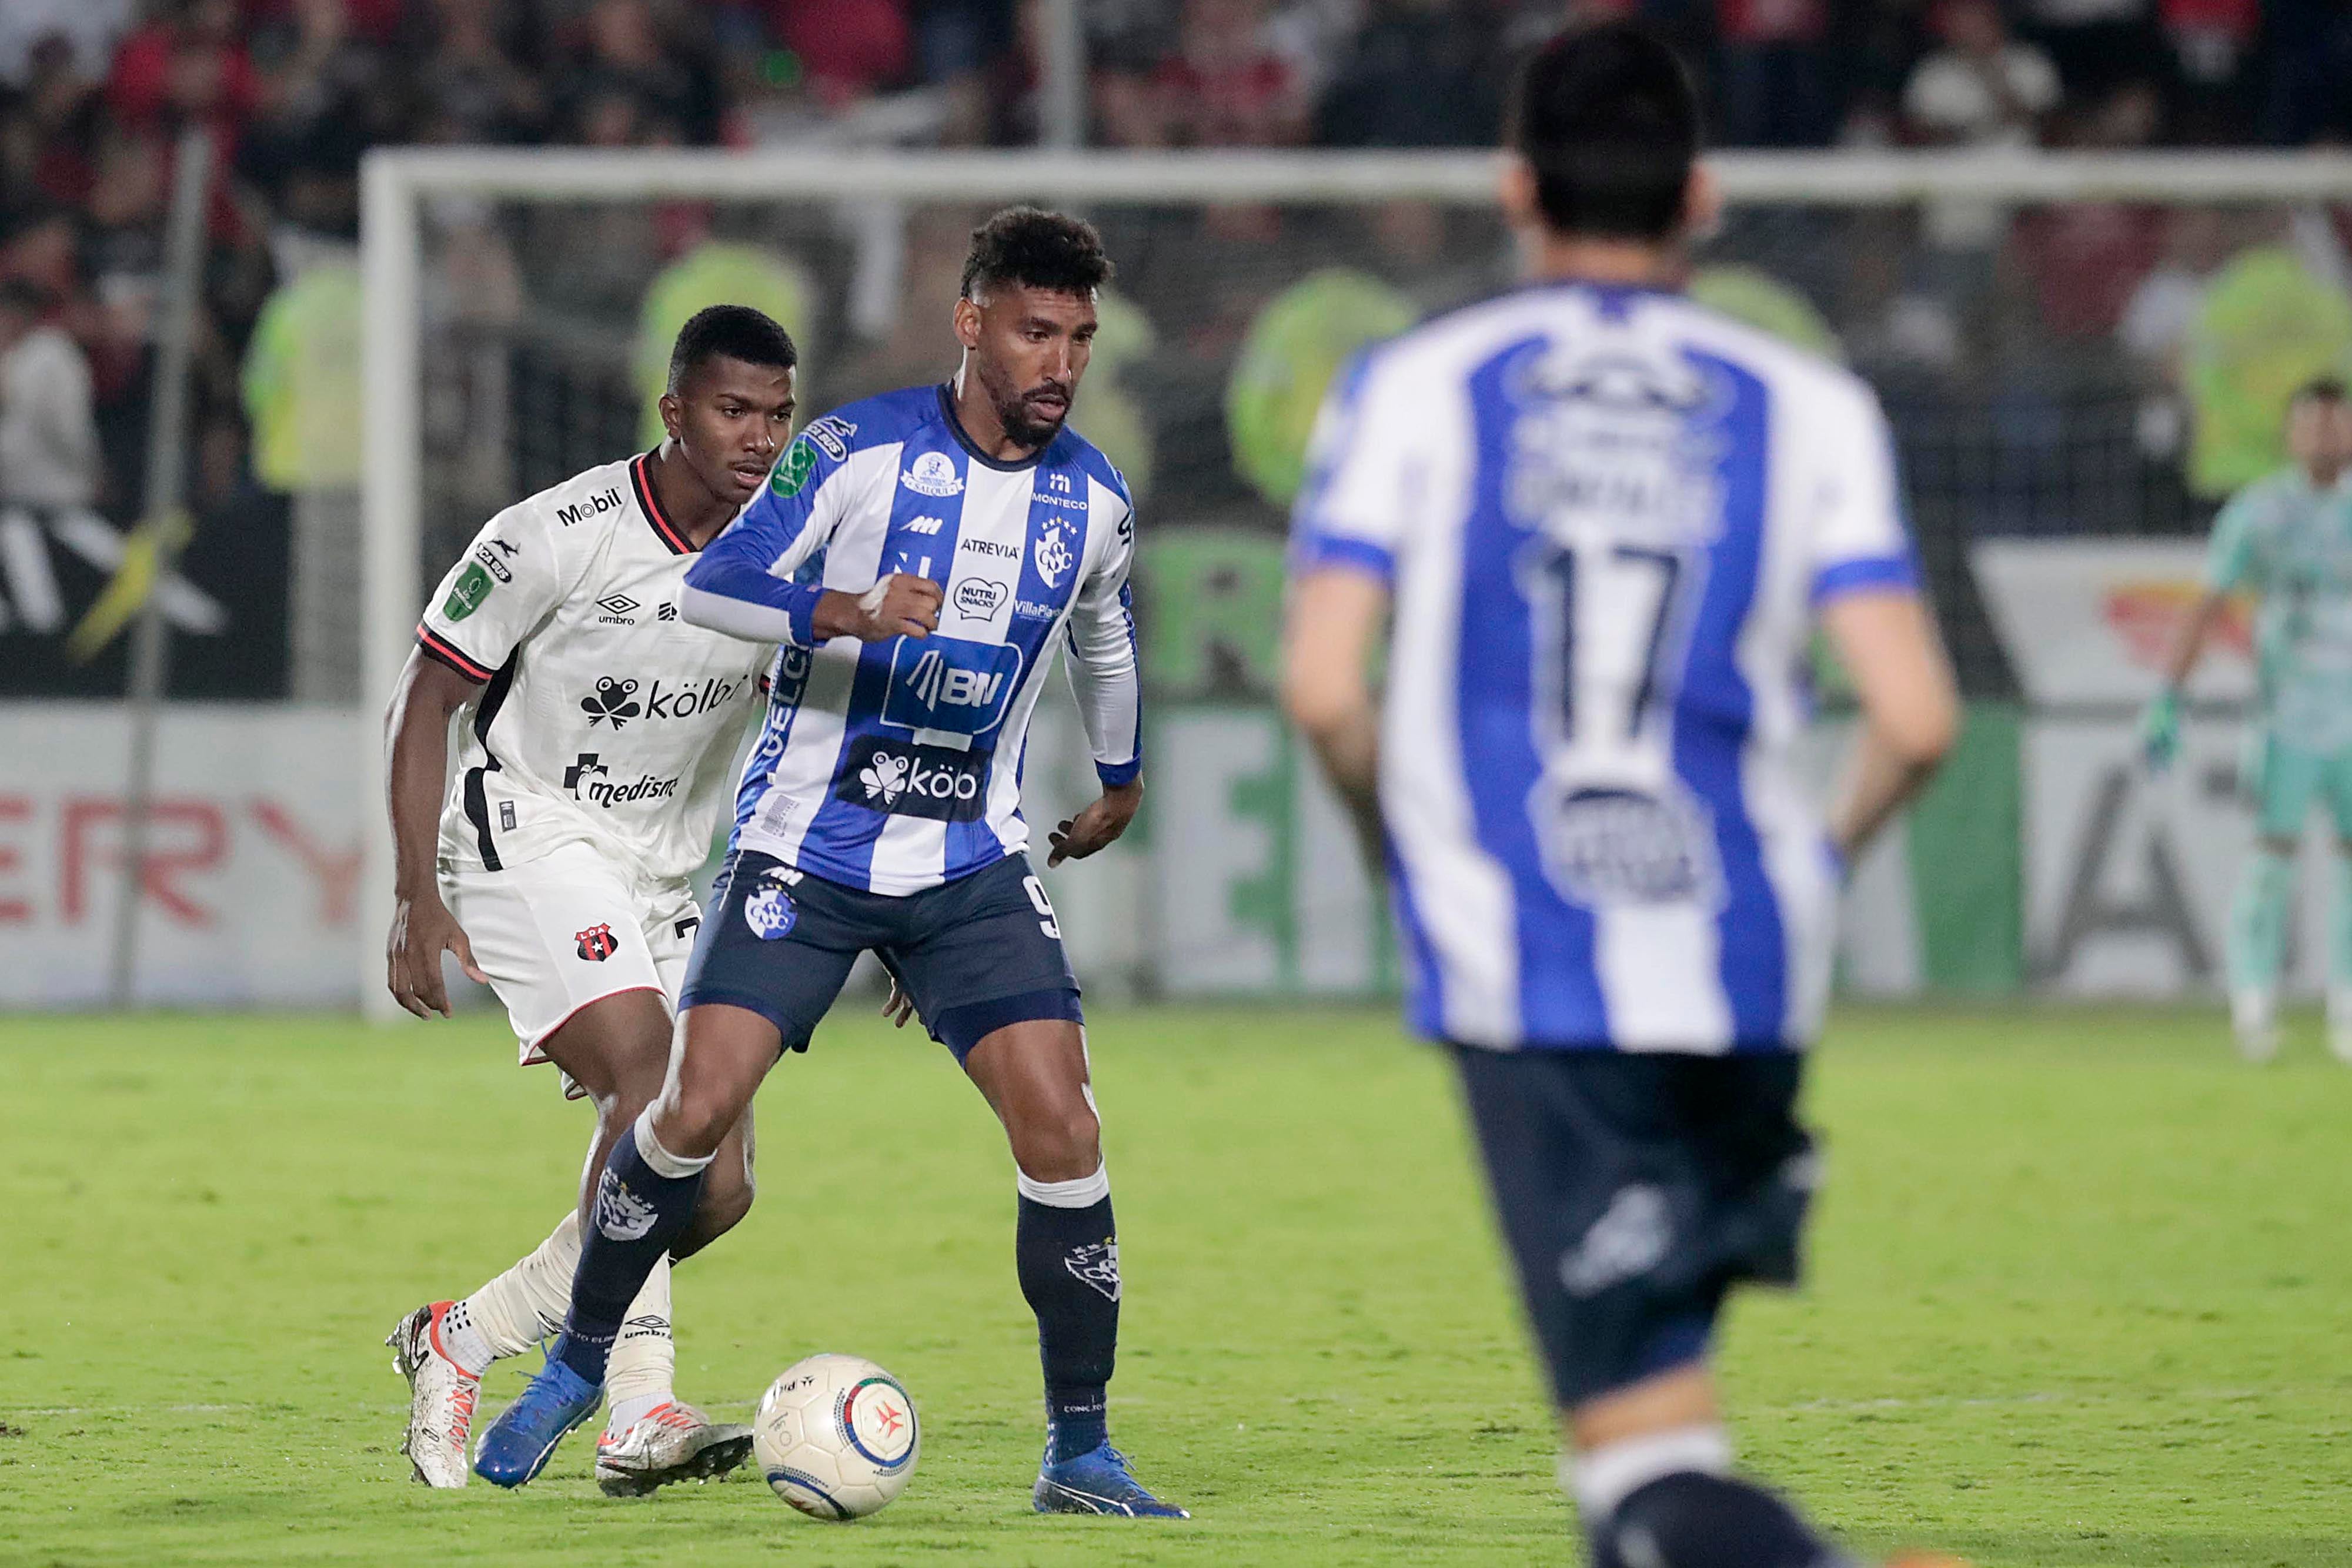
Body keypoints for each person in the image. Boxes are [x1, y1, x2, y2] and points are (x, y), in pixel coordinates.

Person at [1282, 25, 1961, 1568]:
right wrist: (1806, 870)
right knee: (1661, 1430)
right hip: (1746, 971)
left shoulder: (1415, 387)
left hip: (1542, 973)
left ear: (1516, 189)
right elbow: (1917, 717)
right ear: (1701, 195)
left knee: (1640, 1472)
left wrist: (1407, 856)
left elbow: (1324, 687)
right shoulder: (1807, 402)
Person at [474, 208, 1183, 1519]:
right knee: (691, 1112)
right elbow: (715, 582)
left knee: (1067, 1129)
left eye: (1079, 338)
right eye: (1036, 332)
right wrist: (842, 611)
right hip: (805, 851)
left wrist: (1123, 776)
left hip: (967, 864)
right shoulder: (852, 452)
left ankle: (1079, 1453)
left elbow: (1105, 639)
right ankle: (576, 1363)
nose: (1061, 363)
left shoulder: (1094, 497)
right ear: (970, 324)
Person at [380, 305, 799, 1493]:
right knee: (651, 1086)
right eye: (732, 410)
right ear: (673, 412)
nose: (758, 437)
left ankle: (463, 1334)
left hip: (666, 873)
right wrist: (415, 893)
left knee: (714, 1184)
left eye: (777, 415)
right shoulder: (557, 534)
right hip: (526, 832)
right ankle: (638, 1408)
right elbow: (424, 697)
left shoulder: (790, 556)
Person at [2144, 376, 2352, 1062]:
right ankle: (2254, 1004)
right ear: (2291, 434)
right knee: (2271, 861)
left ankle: (2348, 1010)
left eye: (2336, 423)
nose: (2325, 436)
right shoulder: (2260, 514)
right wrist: (2168, 697)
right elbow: (2207, 605)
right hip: (2285, 717)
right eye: (2313, 424)